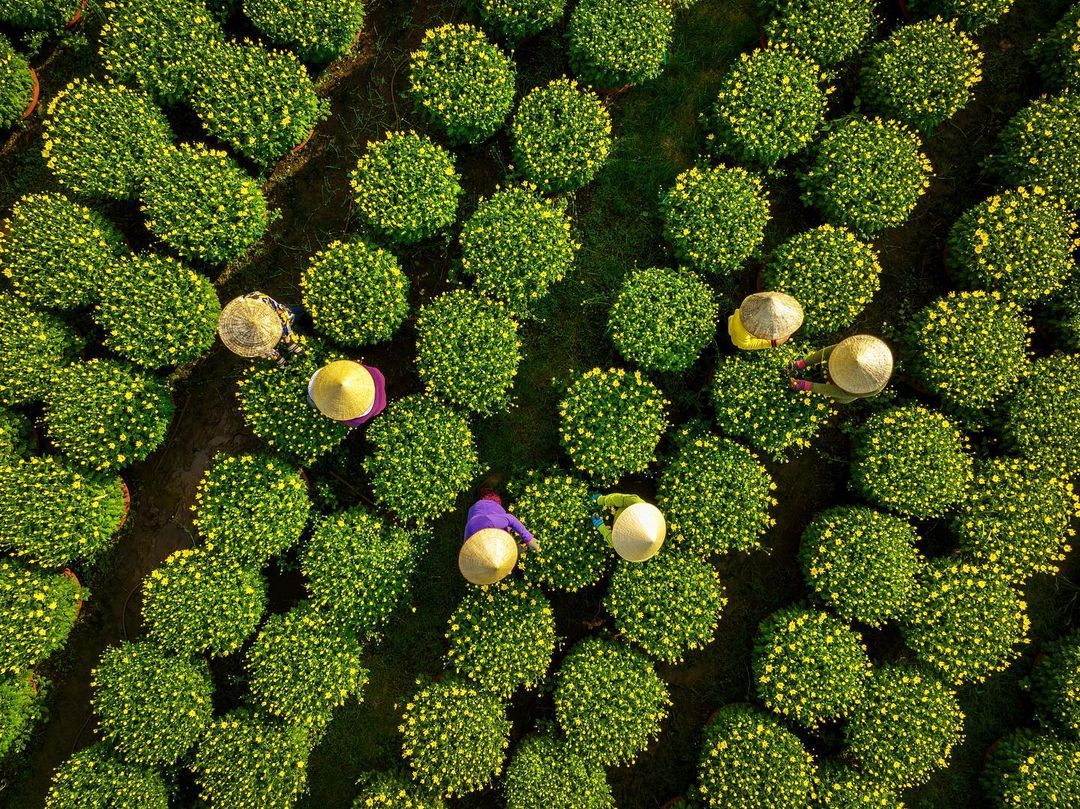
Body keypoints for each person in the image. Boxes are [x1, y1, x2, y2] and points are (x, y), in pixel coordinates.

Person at [458, 490, 539, 586]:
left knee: (493, 497)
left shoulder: (487, 522)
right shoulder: (470, 547)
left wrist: (529, 539)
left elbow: (510, 519)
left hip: (489, 504)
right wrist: (515, 550)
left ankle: (486, 490)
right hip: (474, 513)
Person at [788, 334, 893, 403]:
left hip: (843, 394)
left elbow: (838, 391)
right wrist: (802, 363)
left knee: (837, 398)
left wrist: (807, 385)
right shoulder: (852, 348)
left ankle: (825, 380)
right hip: (834, 367)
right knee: (825, 370)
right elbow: (827, 352)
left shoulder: (871, 387)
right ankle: (823, 372)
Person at [218, 292, 306, 367]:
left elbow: (280, 313)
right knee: (262, 345)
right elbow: (259, 347)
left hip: (276, 315)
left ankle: (304, 313)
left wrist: (287, 338)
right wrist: (276, 357)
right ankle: (278, 354)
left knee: (293, 314)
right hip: (251, 329)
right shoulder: (236, 330)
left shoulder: (258, 301)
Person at [307, 359, 387, 427]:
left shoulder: (356, 419)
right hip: (379, 403)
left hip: (377, 406)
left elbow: (341, 419)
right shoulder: (376, 374)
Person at [589, 492, 666, 562]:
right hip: (620, 508)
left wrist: (601, 526)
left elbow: (614, 541)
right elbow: (618, 499)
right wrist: (602, 500)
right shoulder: (636, 503)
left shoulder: (642, 544)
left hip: (614, 523)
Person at [728, 291, 804, 351]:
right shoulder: (741, 331)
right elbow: (744, 344)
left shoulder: (769, 299)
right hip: (735, 333)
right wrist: (771, 343)